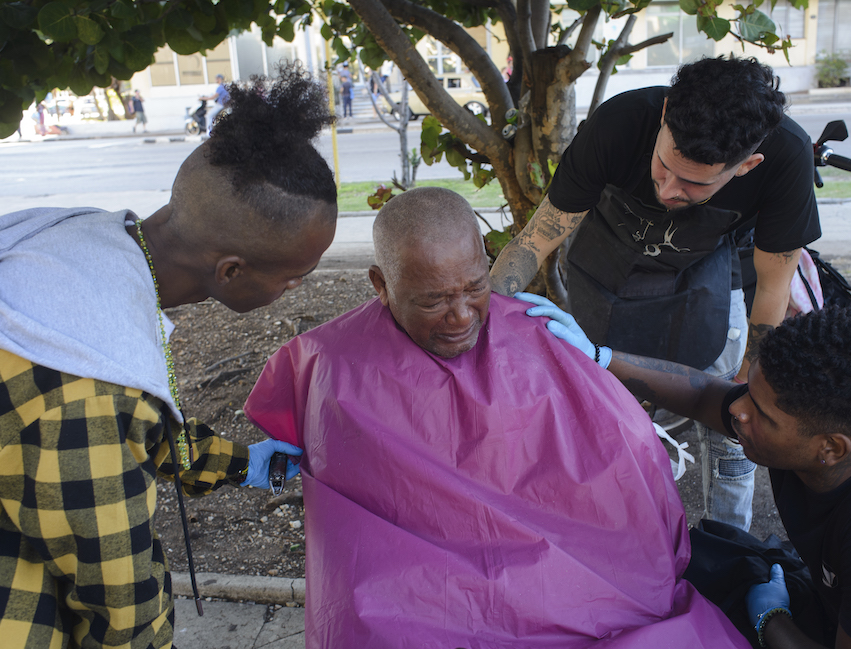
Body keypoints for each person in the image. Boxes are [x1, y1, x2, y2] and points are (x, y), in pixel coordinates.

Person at [243, 187, 749, 648]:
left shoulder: (539, 338)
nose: (461, 316)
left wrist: (594, 359)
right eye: (433, 300)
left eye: (474, 287)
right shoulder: (326, 363)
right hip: (421, 596)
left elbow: (627, 460)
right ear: (381, 284)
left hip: (573, 582)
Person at [0, 64, 338, 649]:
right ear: (231, 271)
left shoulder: (83, 247)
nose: (297, 290)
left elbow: (136, 425)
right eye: (294, 278)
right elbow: (120, 601)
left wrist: (235, 462)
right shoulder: (83, 392)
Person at [490, 55, 821, 532]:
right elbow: (535, 239)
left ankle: (732, 543)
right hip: (605, 262)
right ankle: (601, 531)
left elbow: (772, 287)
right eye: (664, 165)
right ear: (665, 114)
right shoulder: (620, 124)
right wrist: (485, 311)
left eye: (694, 183)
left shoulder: (787, 156)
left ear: (747, 166)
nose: (668, 189)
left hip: (709, 267)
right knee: (597, 404)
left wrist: (749, 389)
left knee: (735, 418)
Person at [519, 295, 851, 649]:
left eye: (760, 412)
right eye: (749, 392)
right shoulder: (816, 426)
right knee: (657, 563)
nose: (738, 411)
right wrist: (596, 355)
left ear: (830, 448)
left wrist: (772, 620)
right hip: (829, 594)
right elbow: (705, 394)